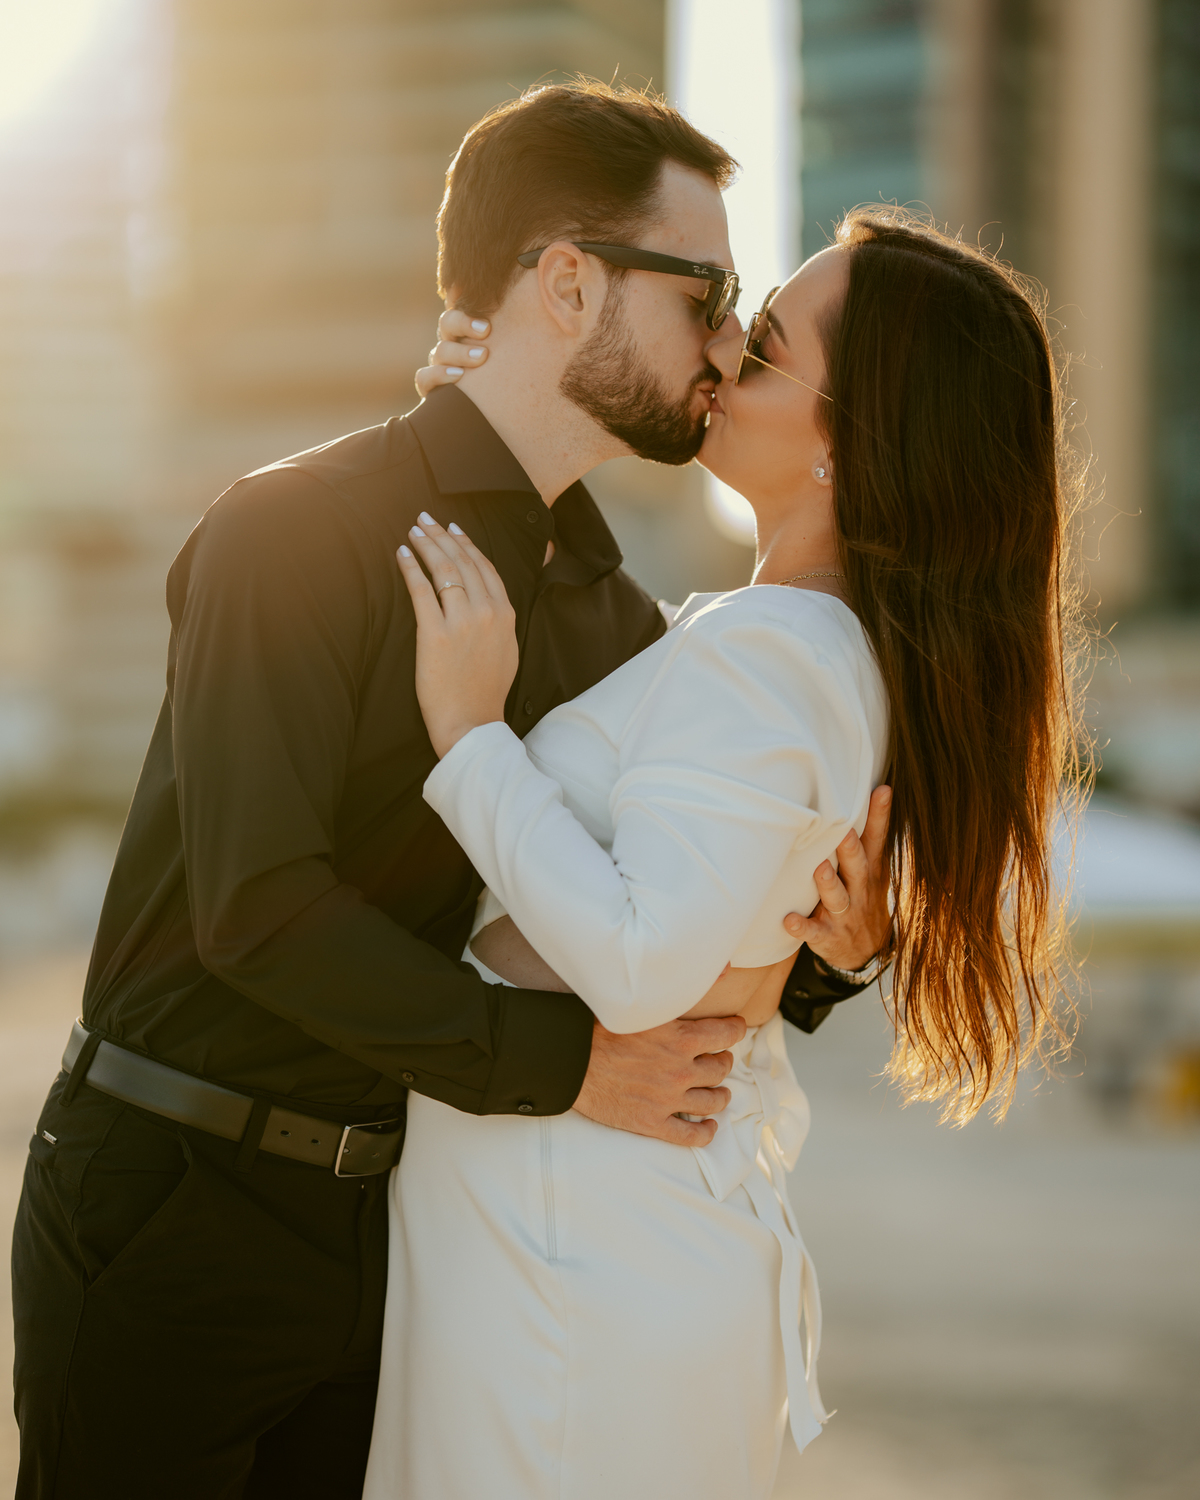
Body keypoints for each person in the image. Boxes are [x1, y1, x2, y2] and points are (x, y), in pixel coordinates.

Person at [9, 84, 893, 1500]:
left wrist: (819, 965)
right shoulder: (289, 530)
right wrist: (568, 1071)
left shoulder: (613, 627)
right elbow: (258, 905)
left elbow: (628, 886)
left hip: (393, 1234)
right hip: (173, 1195)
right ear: (564, 283)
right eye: (710, 294)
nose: (728, 345)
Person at [364, 207, 1082, 1497]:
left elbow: (639, 961)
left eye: (758, 345)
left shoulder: (773, 659)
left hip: (571, 1257)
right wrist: (481, 427)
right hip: (590, 1239)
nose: (718, 357)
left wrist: (469, 736)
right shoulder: (792, 646)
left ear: (851, 440)